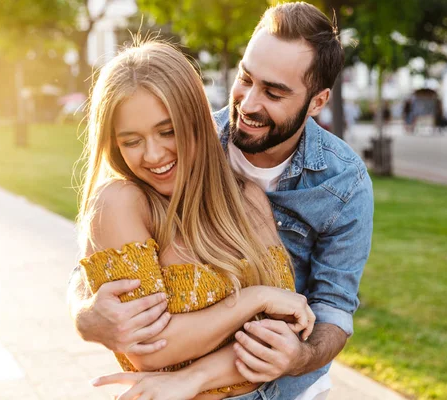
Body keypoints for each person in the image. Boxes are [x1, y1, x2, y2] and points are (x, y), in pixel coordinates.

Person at [69, 3, 374, 400]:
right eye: (246, 79)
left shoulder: (341, 185)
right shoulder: (191, 133)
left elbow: (329, 310)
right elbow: (97, 261)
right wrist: (84, 314)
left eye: (274, 92)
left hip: (291, 391)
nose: (247, 105)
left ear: (317, 102)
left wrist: (295, 355)